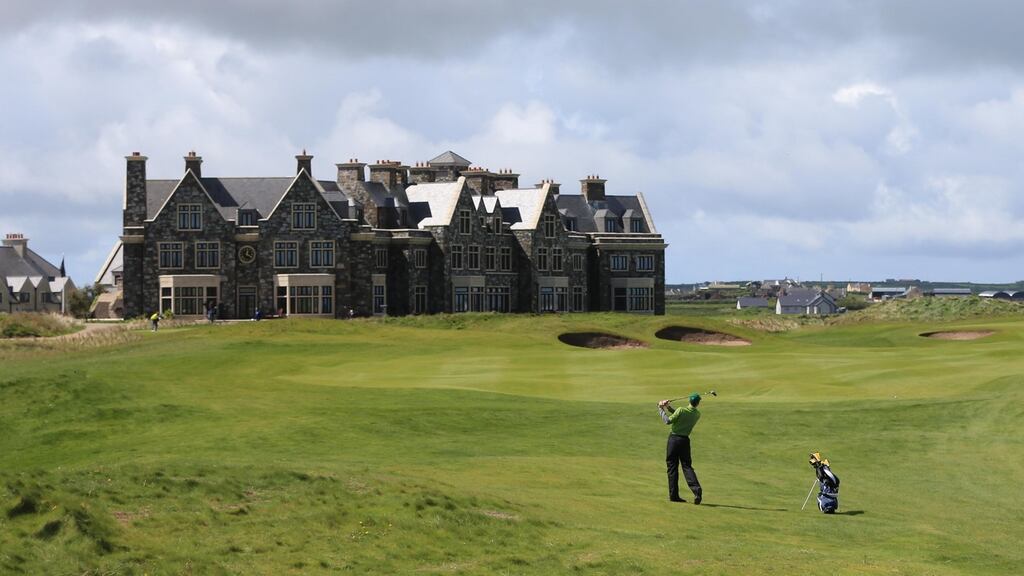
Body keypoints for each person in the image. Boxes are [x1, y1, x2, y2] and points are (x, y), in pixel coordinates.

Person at [658, 393, 703, 504]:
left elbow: (668, 421)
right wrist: (668, 407)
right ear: (697, 403)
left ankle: (674, 495)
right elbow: (680, 415)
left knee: (672, 467)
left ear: (689, 401)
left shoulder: (681, 410)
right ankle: (697, 490)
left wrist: (661, 408)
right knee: (687, 466)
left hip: (674, 440)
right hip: (685, 441)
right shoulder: (697, 414)